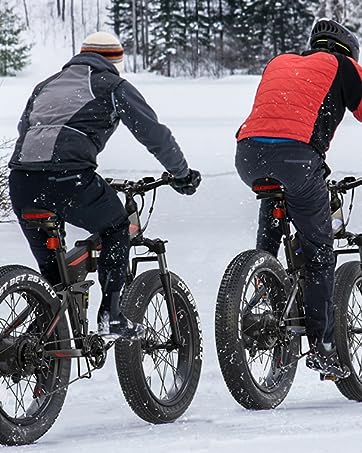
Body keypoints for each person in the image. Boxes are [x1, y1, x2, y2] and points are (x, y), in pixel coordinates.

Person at [8, 32, 201, 340]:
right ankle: (111, 313)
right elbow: (153, 133)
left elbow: (26, 129)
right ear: (114, 61)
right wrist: (181, 173)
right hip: (68, 177)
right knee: (115, 226)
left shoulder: (45, 85)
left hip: (21, 182)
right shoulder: (112, 85)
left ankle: (38, 344)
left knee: (53, 280)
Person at [235, 18, 362, 377]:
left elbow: (274, 116)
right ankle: (322, 346)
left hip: (247, 154)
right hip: (298, 158)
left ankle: (264, 276)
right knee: (319, 251)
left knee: (275, 197)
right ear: (348, 50)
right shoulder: (344, 67)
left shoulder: (280, 61)